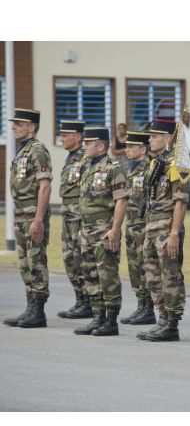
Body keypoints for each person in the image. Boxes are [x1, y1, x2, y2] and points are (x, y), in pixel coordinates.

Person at [136, 119, 189, 342]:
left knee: (170, 276)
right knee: (153, 275)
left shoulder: (177, 164)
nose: (149, 140)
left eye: (154, 136)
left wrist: (174, 232)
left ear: (167, 139)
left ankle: (172, 323)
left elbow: (180, 200)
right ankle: (162, 317)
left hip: (166, 227)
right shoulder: (156, 163)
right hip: (151, 226)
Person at [73, 127, 129, 336]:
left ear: (101, 146)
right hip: (87, 230)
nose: (84, 146)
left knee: (107, 275)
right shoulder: (88, 167)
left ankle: (111, 321)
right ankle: (97, 317)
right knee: (90, 274)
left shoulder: (113, 168)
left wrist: (115, 229)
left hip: (104, 230)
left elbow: (121, 200)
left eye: (88, 143)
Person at [4, 109, 52, 328]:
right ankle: (30, 307)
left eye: (19, 123)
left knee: (36, 262)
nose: (14, 127)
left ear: (31, 128)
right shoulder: (22, 150)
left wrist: (38, 219)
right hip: (21, 215)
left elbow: (45, 186)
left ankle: (38, 312)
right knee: (25, 263)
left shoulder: (37, 150)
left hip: (33, 216)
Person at [57, 120, 93, 320]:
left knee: (82, 259)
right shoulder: (70, 158)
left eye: (65, 135)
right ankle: (79, 299)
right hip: (67, 216)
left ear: (78, 137)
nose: (61, 138)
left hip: (79, 216)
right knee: (70, 260)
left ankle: (88, 301)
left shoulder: (85, 159)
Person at [119, 130, 156, 326]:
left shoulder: (149, 169)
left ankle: (148, 308)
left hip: (143, 225)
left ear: (142, 149)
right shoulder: (129, 168)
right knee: (134, 268)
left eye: (131, 147)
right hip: (131, 224)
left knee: (144, 267)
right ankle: (141, 305)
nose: (127, 150)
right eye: (126, 146)